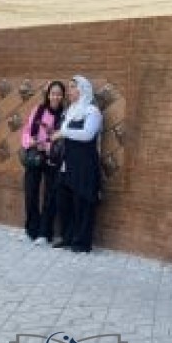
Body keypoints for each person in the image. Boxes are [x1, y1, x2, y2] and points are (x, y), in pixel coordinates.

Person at [51, 75, 102, 253]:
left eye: (73, 87)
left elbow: (87, 134)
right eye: (70, 87)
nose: (69, 90)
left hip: (85, 165)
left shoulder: (92, 112)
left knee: (83, 203)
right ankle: (68, 237)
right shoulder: (70, 111)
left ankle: (81, 242)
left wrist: (63, 132)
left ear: (83, 90)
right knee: (64, 201)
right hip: (68, 163)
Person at [22, 81, 65, 244]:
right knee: (30, 193)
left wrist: (47, 146)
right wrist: (30, 142)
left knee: (50, 196)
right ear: (48, 95)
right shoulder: (38, 110)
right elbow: (26, 130)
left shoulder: (64, 115)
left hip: (51, 158)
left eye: (59, 94)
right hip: (34, 156)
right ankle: (31, 230)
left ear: (62, 96)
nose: (56, 97)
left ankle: (44, 233)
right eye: (53, 93)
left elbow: (61, 138)